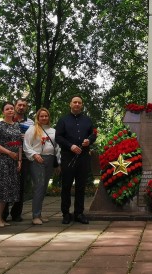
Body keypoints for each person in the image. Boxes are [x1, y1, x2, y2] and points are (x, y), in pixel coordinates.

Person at [55, 95, 96, 225]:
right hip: (68, 156)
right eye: (75, 102)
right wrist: (70, 146)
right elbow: (58, 137)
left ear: (81, 105)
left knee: (81, 186)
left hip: (83, 157)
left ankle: (79, 213)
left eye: (79, 103)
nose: (77, 104)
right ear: (70, 104)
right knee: (66, 186)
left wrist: (89, 140)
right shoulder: (63, 120)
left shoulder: (88, 120)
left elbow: (93, 134)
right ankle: (66, 214)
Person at [0, 102, 22, 227]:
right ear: (3, 112)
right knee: (1, 190)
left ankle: (0, 218)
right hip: (1, 161)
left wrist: (19, 160)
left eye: (11, 109)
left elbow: (19, 144)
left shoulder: (17, 125)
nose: (10, 111)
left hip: (13, 162)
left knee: (7, 190)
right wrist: (9, 153)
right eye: (7, 109)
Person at [24, 107, 59, 225]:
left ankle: (39, 213)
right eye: (41, 116)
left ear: (49, 117)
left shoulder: (53, 131)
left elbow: (57, 148)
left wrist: (58, 162)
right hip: (37, 159)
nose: (44, 118)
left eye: (46, 116)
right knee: (39, 186)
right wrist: (34, 155)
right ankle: (35, 216)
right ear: (38, 117)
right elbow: (27, 145)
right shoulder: (32, 129)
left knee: (44, 188)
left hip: (50, 159)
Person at [3, 98, 33, 222]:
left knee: (20, 186)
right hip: (7, 156)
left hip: (24, 157)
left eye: (24, 106)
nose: (21, 107)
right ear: (15, 106)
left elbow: (34, 139)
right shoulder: (7, 119)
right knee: (6, 184)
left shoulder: (31, 123)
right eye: (19, 105)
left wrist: (26, 137)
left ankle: (16, 213)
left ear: (26, 108)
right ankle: (3, 213)